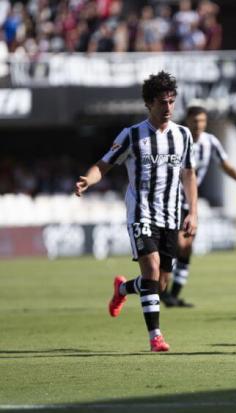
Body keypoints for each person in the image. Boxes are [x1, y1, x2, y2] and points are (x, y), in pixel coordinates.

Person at [74, 71, 197, 352]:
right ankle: (155, 336)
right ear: (148, 104)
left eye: (171, 102)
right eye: (161, 103)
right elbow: (103, 165)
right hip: (141, 213)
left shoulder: (183, 135)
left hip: (171, 215)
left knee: (159, 283)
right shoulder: (131, 135)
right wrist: (87, 180)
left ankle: (122, 290)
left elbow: (189, 174)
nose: (167, 108)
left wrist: (194, 213)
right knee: (152, 269)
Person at [161, 106, 236, 307]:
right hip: (169, 202)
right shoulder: (175, 138)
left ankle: (172, 295)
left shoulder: (210, 142)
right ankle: (161, 291)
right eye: (195, 121)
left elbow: (227, 167)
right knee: (178, 246)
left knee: (187, 248)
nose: (199, 125)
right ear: (187, 121)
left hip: (190, 203)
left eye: (202, 121)